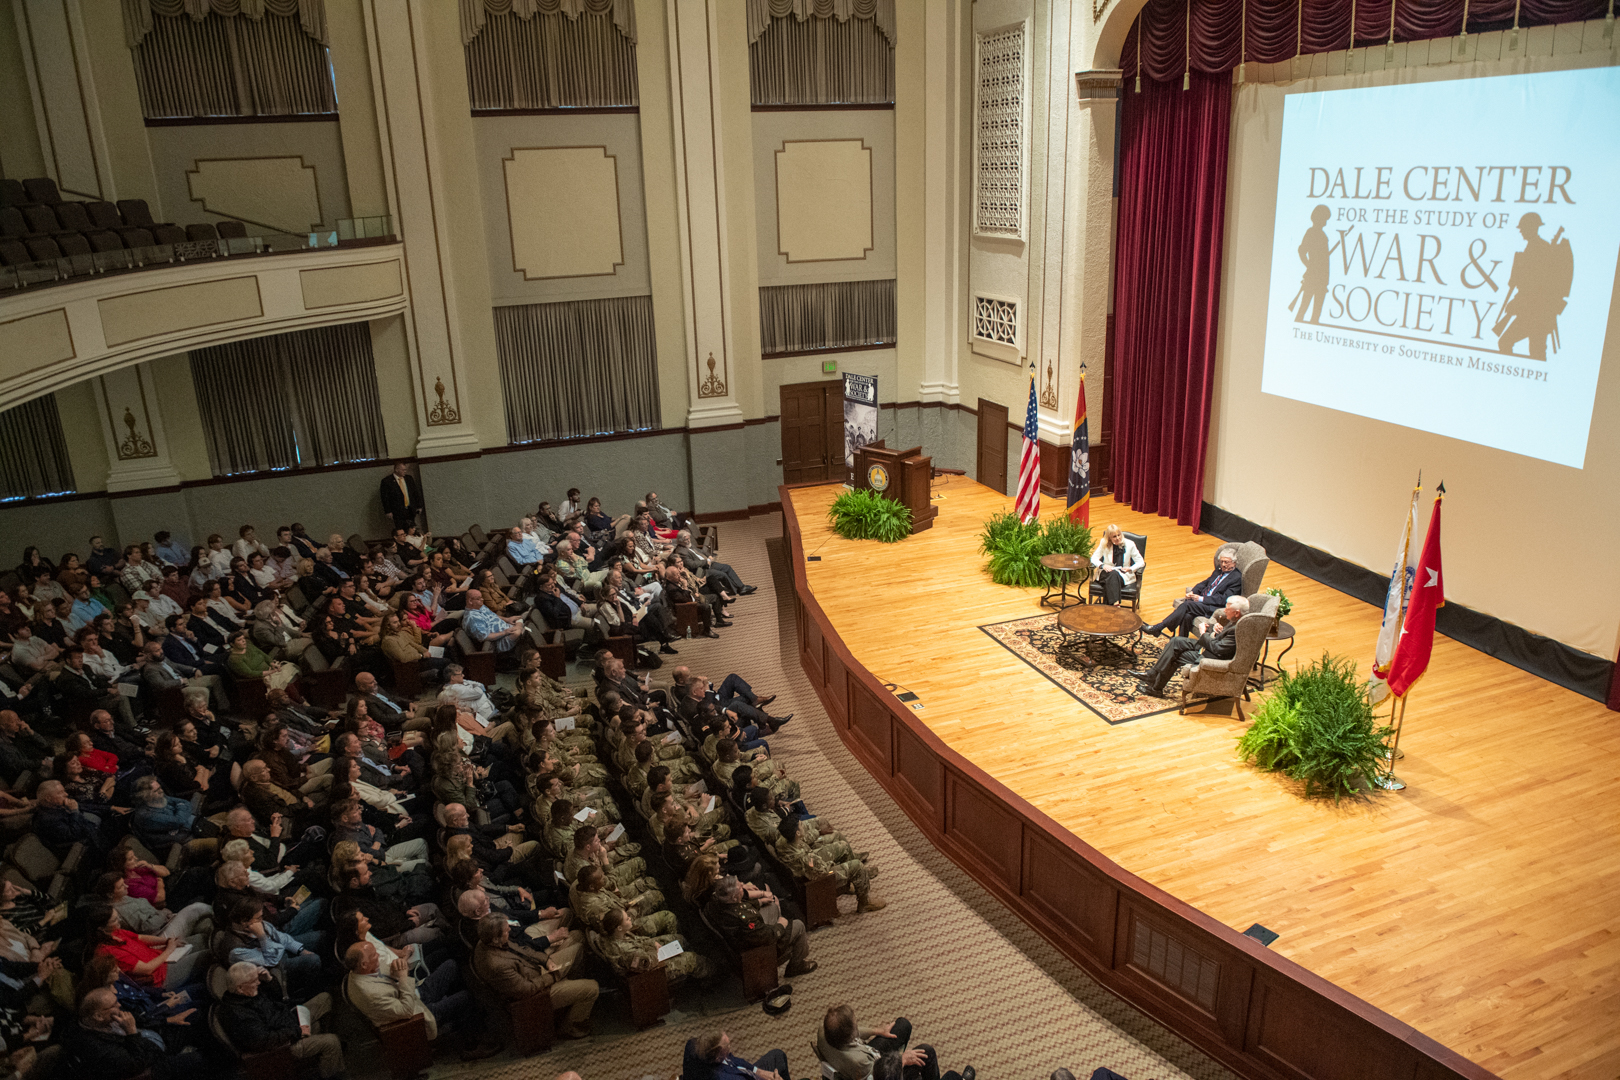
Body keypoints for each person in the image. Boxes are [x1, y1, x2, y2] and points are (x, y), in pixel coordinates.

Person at [343, 941, 494, 1059]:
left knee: (450, 966)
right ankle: (472, 1046)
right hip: (415, 1017)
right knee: (464, 998)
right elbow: (406, 1011)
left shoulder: (362, 969)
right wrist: (403, 977)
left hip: (414, 995)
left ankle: (464, 1023)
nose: (378, 955)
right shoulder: (369, 994)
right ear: (363, 964)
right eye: (374, 955)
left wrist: (399, 963)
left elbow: (391, 967)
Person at [471, 913, 598, 1040]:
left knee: (576, 937)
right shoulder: (496, 966)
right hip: (536, 995)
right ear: (495, 939)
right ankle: (569, 1027)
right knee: (592, 988)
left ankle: (570, 995)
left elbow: (525, 950)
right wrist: (553, 977)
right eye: (506, 930)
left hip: (536, 970)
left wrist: (546, 960)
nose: (509, 929)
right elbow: (526, 990)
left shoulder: (491, 940)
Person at [215, 961, 345, 1077]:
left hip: (288, 1021)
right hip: (284, 1046)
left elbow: (277, 998)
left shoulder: (247, 992)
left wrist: (269, 979)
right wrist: (297, 1032)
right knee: (331, 1042)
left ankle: (326, 1053)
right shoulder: (240, 1015)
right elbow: (264, 1041)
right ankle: (332, 1073)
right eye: (255, 981)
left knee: (324, 999)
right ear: (240, 988)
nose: (258, 983)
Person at [1132, 595, 1248, 698]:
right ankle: (1153, 674)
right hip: (1210, 647)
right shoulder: (1238, 621)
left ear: (1237, 612)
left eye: (1227, 609)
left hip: (1213, 657)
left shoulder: (1238, 628)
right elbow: (1224, 640)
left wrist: (1203, 633)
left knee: (1176, 655)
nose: (1225, 611)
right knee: (1176, 641)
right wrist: (1218, 630)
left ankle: (1156, 688)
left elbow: (1219, 649)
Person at [818, 1005, 973, 1080]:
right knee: (927, 1053)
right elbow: (883, 1075)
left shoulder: (824, 1031)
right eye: (855, 1023)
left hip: (867, 1057)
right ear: (850, 1034)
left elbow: (853, 1032)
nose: (857, 1024)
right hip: (878, 1071)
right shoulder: (860, 1062)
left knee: (903, 1025)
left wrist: (877, 1031)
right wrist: (901, 1060)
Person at [703, 874, 814, 977]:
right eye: (740, 888)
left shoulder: (717, 900)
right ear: (734, 898)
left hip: (749, 936)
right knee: (798, 925)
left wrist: (761, 901)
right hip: (757, 951)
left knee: (772, 906)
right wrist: (781, 925)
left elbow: (743, 906)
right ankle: (796, 966)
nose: (742, 885)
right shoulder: (745, 919)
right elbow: (766, 937)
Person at [1142, 546, 1244, 638]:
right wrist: (1193, 592)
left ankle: (1159, 627)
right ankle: (1181, 643)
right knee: (1187, 616)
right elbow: (1205, 583)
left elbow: (1223, 599)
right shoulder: (1218, 570)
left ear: (1234, 563)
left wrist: (1200, 599)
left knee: (1187, 605)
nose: (1223, 564)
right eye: (1221, 561)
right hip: (1202, 603)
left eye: (1226, 562)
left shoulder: (1236, 578)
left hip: (1213, 607)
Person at [683, 1031, 791, 1080]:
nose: (730, 1046)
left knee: (778, 1055)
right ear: (718, 1057)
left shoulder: (693, 1045)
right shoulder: (724, 1078)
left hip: (737, 1072)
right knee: (778, 1058)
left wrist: (758, 1071)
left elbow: (732, 1059)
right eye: (728, 1045)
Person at [1089, 525, 1144, 606]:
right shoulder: (1104, 543)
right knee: (1112, 574)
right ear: (1109, 538)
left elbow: (1141, 562)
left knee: (1112, 577)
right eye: (1114, 536)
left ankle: (1111, 607)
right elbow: (1094, 558)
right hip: (1106, 572)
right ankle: (1116, 605)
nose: (1118, 538)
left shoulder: (1130, 544)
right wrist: (1102, 565)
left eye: (1119, 535)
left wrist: (1130, 569)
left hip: (1123, 575)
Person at [380, 462, 424, 532]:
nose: (405, 471)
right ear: (397, 470)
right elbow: (385, 498)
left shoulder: (409, 478)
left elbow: (415, 492)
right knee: (401, 529)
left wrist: (419, 505)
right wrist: (388, 511)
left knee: (411, 529)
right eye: (403, 470)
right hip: (397, 511)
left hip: (410, 509)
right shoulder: (387, 481)